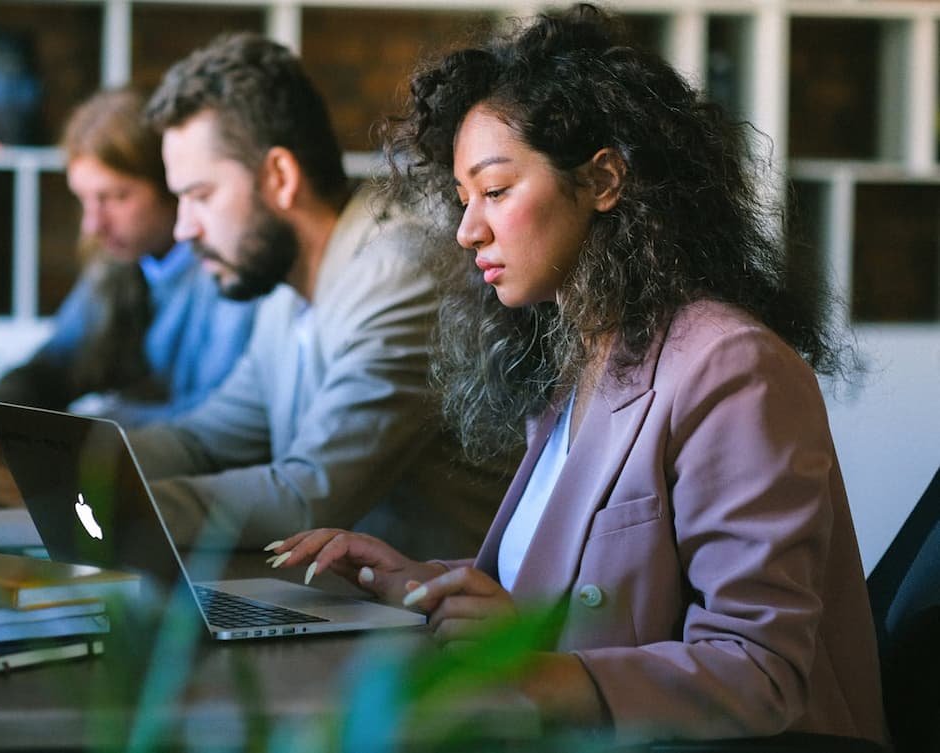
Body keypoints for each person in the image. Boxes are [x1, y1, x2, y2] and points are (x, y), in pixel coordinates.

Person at [268, 6, 887, 747]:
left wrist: (533, 667)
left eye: (495, 191)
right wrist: (424, 584)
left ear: (602, 180)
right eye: (464, 200)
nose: (468, 230)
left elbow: (761, 671)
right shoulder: (588, 358)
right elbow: (580, 575)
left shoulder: (732, 368)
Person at [122, 32, 512, 559]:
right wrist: (67, 459)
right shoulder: (286, 291)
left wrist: (108, 503)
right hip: (347, 611)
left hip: (440, 628)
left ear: (280, 177)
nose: (185, 227)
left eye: (201, 195)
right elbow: (204, 440)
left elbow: (311, 494)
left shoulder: (403, 271)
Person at [0, 88, 258, 503]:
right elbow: (54, 368)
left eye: (115, 198)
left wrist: (56, 436)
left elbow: (210, 429)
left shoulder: (230, 274)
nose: (93, 224)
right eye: (85, 200)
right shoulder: (119, 264)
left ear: (173, 185)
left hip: (202, 502)